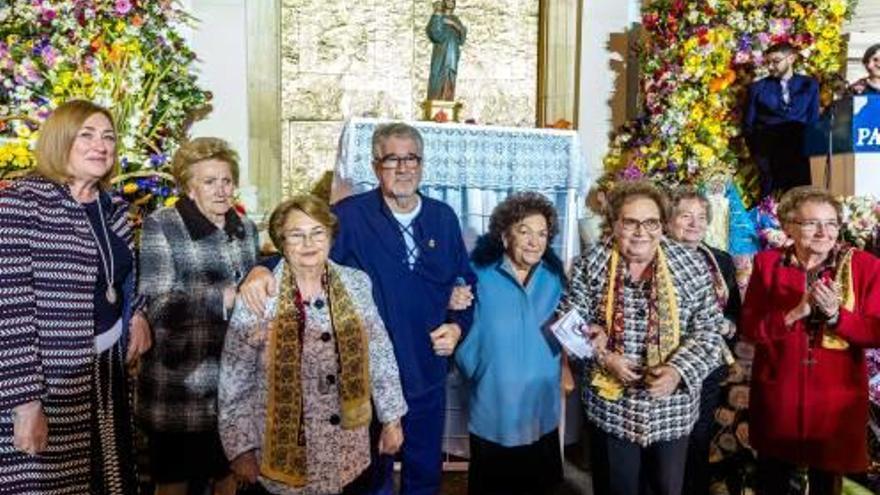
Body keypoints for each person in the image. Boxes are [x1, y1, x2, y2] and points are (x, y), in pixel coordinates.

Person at [240, 122, 476, 495]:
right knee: (370, 480)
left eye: (411, 158)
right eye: (391, 159)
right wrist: (259, 269)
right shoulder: (348, 216)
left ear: (422, 163)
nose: (402, 168)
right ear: (374, 165)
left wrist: (458, 326)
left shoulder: (443, 218)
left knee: (424, 475)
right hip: (364, 378)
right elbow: (305, 248)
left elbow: (466, 283)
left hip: (425, 370)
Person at [0, 99, 151, 494]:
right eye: (86, 135)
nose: (100, 145)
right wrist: (26, 404)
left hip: (106, 375)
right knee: (49, 484)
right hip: (50, 382)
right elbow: (9, 310)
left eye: (108, 137)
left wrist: (137, 313)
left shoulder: (113, 205)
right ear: (60, 140)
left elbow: (125, 275)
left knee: (106, 481)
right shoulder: (21, 204)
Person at [218, 195, 407, 495]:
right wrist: (240, 450)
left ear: (331, 237)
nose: (309, 243)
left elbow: (380, 354)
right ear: (282, 241)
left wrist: (392, 419)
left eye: (317, 232)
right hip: (280, 455)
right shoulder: (258, 296)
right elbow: (234, 378)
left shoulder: (357, 284)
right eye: (297, 234)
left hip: (347, 449)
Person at [559, 180, 727, 495]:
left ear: (662, 225)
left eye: (651, 222)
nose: (641, 232)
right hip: (612, 407)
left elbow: (709, 328)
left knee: (666, 488)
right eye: (630, 222)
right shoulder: (591, 264)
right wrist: (605, 357)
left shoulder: (689, 264)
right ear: (614, 224)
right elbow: (570, 323)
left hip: (671, 407)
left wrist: (677, 371)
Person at [137, 137, 259, 495]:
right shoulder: (163, 225)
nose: (221, 190)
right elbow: (159, 305)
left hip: (233, 386)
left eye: (226, 180)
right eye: (209, 182)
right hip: (181, 385)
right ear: (189, 188)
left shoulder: (245, 228)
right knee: (173, 485)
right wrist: (224, 298)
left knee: (227, 479)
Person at [741, 186, 880, 495]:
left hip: (835, 402)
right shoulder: (767, 264)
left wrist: (836, 317)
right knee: (772, 481)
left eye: (831, 223)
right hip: (780, 396)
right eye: (811, 223)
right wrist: (794, 313)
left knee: (825, 485)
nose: (823, 232)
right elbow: (750, 328)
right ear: (788, 225)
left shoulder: (864, 266)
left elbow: (876, 331)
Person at [454, 192, 566, 495]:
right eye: (524, 231)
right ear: (505, 236)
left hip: (540, 409)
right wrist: (474, 365)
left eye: (542, 233)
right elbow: (456, 324)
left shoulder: (556, 278)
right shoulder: (477, 275)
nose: (534, 241)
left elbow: (571, 327)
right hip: (494, 407)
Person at [666, 187, 741, 495]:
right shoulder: (653, 258)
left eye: (701, 217)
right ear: (668, 221)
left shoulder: (720, 259)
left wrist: (730, 326)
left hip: (709, 365)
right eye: (686, 216)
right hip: (669, 362)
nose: (695, 224)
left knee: (699, 439)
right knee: (669, 443)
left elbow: (736, 310)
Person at [743, 42, 820, 198]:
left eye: (776, 61)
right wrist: (759, 155)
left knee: (800, 198)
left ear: (791, 58)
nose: (770, 67)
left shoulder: (809, 84)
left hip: (800, 153)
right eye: (768, 63)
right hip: (769, 154)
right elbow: (748, 125)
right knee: (770, 201)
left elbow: (813, 120)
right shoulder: (757, 88)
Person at [427, 0, 467, 101]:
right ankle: (436, 99)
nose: (450, 3)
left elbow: (461, 39)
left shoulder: (456, 20)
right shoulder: (438, 17)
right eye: (448, 0)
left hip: (452, 54)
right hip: (441, 54)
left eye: (452, 1)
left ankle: (448, 99)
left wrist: (455, 25)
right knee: (437, 75)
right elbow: (435, 35)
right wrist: (438, 17)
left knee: (450, 75)